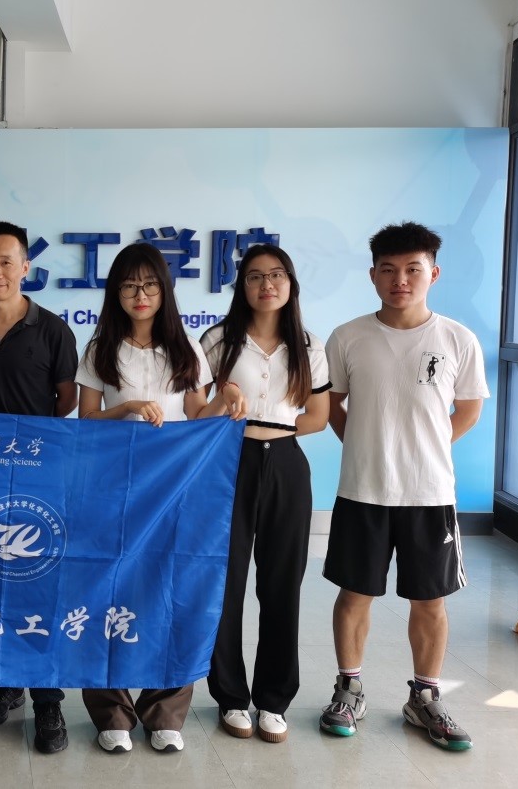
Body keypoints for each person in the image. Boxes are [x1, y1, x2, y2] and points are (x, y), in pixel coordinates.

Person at [320, 222, 488, 751]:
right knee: (355, 593)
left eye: (413, 269)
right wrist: (365, 447)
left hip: (430, 495)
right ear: (373, 275)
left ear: (433, 274)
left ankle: (425, 697)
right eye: (389, 270)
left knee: (430, 600)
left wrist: (428, 448)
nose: (401, 280)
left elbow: (469, 409)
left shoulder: (457, 339)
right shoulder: (347, 336)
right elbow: (333, 406)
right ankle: (349, 689)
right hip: (362, 490)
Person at [76, 242, 246, 754]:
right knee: (110, 589)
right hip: (116, 486)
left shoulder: (185, 346)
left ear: (164, 290)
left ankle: (165, 711)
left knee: (172, 588)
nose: (140, 294)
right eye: (129, 285)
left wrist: (226, 399)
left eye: (150, 284)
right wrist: (126, 407)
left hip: (176, 488)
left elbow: (196, 416)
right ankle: (111, 711)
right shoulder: (100, 347)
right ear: (115, 292)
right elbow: (86, 419)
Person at [0, 221, 79, 754]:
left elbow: (66, 401)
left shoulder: (53, 330)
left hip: (38, 474)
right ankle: (4, 683)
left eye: (6, 261)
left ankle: (48, 700)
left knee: (38, 583)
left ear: (26, 267)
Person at [200, 244, 330, 744]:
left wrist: (274, 428)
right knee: (226, 582)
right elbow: (197, 411)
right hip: (228, 463)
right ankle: (231, 697)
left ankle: (274, 700)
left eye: (276, 275)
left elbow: (318, 417)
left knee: (281, 584)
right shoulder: (217, 340)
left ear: (291, 284)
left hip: (287, 466)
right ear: (242, 286)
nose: (266, 284)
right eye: (255, 276)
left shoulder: (309, 345)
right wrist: (227, 402)